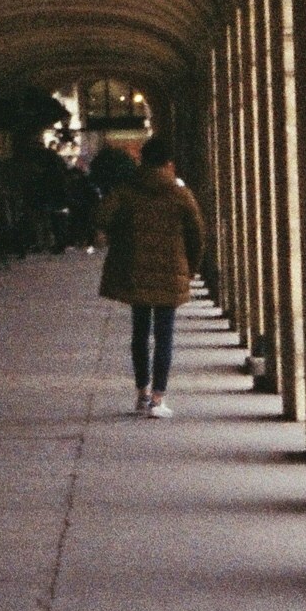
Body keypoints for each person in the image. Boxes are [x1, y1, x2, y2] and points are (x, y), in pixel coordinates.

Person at [98, 133, 204, 417]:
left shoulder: (127, 190)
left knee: (140, 333)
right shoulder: (180, 193)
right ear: (169, 163)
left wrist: (122, 236)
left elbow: (102, 217)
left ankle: (142, 394)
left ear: (142, 161)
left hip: (135, 270)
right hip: (170, 272)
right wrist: (190, 268)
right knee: (165, 335)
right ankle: (158, 398)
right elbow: (197, 234)